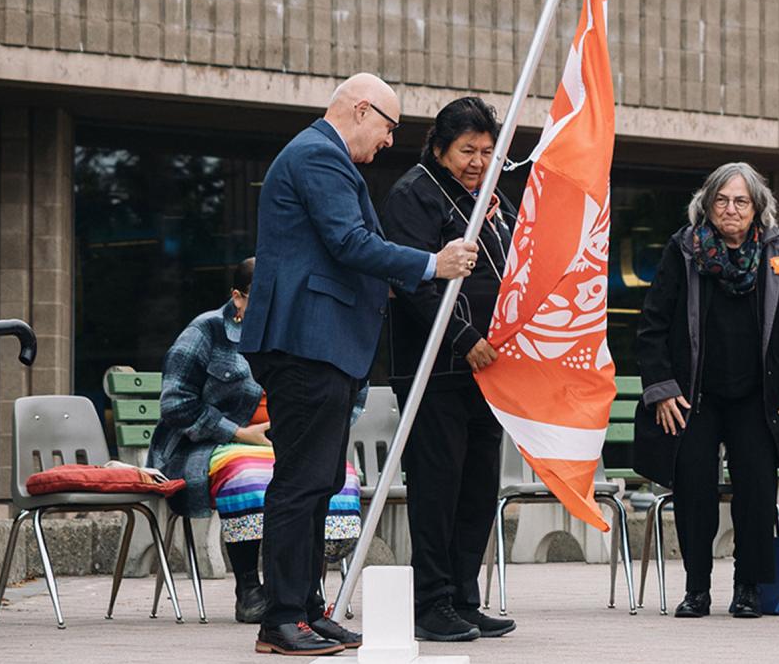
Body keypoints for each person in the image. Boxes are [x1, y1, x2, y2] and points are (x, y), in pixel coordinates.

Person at [239, 73, 478, 656]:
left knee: (318, 480)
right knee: (301, 481)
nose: (390, 142)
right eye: (390, 127)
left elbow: (340, 249)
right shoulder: (319, 156)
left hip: (323, 345)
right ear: (362, 109)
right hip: (307, 344)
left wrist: (391, 280)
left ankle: (306, 608)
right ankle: (282, 618)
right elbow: (348, 241)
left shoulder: (320, 157)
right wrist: (430, 263)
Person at [635, 162, 779, 619]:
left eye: (741, 201)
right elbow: (653, 323)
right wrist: (660, 388)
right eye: (722, 199)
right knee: (694, 486)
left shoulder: (777, 250)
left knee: (756, 490)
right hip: (694, 395)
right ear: (707, 203)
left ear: (757, 207)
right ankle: (697, 588)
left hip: (759, 396)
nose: (731, 209)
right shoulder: (684, 249)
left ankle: (749, 587)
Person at [147, 258, 363, 625]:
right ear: (238, 298)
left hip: (291, 440)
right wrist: (237, 432)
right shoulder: (207, 330)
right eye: (264, 299)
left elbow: (352, 396)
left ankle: (306, 589)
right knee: (249, 475)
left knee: (334, 476)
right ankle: (248, 586)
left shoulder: (302, 330)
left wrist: (308, 431)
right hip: (214, 445)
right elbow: (175, 403)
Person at [380, 97, 517, 643]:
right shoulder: (413, 193)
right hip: (435, 370)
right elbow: (414, 278)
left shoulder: (491, 199)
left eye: (487, 151)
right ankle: (429, 601)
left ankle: (464, 596)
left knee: (478, 488)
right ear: (439, 148)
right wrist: (465, 339)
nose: (478, 161)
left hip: (492, 372)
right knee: (438, 486)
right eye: (467, 151)